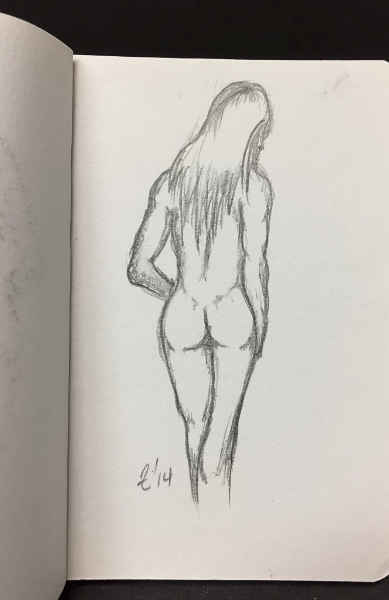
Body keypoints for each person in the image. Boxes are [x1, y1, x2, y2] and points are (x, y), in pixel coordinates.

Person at [127, 81, 274, 505]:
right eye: (260, 134)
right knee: (222, 433)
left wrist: (179, 295)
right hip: (233, 313)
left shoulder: (171, 183)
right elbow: (254, 266)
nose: (262, 144)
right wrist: (260, 323)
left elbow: (138, 267)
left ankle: (196, 518)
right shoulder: (253, 186)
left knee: (194, 430)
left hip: (183, 316)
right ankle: (218, 521)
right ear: (246, 132)